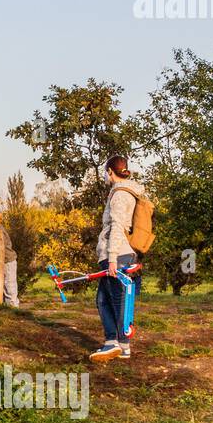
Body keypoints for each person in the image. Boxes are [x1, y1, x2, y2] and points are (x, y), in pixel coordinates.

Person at [90, 154, 145, 362]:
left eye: (107, 173)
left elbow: (117, 227)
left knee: (114, 299)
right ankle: (113, 342)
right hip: (123, 252)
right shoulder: (127, 192)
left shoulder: (120, 194)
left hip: (117, 253)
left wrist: (112, 257)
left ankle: (120, 344)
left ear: (110, 172)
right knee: (104, 299)